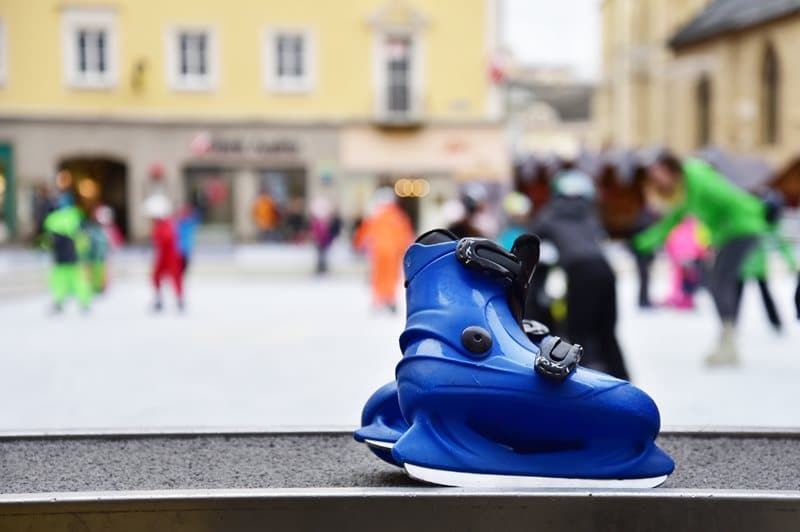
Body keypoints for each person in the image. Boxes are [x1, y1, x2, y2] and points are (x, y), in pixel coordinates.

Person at [634, 152, 778, 365]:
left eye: (659, 174)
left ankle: (728, 343)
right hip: (735, 231)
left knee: (719, 283)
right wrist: (643, 241)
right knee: (718, 283)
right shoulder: (688, 186)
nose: (657, 181)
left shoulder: (697, 178)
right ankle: (728, 340)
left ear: (670, 168)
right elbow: (674, 219)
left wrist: (754, 214)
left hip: (742, 228)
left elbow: (729, 198)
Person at [530, 170, 630, 380]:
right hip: (604, 270)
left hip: (579, 271)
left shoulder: (549, 215)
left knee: (578, 335)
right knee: (607, 333)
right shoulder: (588, 213)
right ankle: (623, 381)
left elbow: (536, 245)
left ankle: (580, 384)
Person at [353, 188, 414, 313]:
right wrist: (407, 250)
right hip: (392, 252)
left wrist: (358, 246)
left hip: (378, 251)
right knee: (391, 275)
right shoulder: (398, 216)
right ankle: (389, 299)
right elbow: (405, 235)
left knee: (378, 275)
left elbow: (363, 233)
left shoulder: (375, 215)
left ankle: (379, 299)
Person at [42, 193, 92, 312]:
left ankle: (59, 301)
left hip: (59, 255)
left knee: (59, 279)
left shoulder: (52, 218)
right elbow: (83, 236)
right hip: (73, 254)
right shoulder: (76, 215)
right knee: (78, 279)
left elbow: (47, 237)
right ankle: (84, 302)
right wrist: (84, 250)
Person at [144, 194, 183, 311]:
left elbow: (168, 239)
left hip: (170, 256)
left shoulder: (165, 225)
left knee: (174, 278)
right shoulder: (160, 225)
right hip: (164, 257)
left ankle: (179, 300)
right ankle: (160, 299)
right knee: (156, 277)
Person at [662, 217, 709, 309]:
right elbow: (702, 245)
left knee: (678, 280)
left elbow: (670, 244)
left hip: (679, 260)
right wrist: (701, 256)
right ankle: (686, 299)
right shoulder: (698, 230)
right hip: (691, 260)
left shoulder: (676, 229)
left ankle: (679, 298)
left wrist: (673, 257)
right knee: (688, 280)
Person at [309, 197, 341, 275]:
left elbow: (329, 232)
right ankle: (320, 269)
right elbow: (316, 232)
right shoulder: (317, 223)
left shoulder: (326, 223)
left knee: (323, 256)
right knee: (320, 256)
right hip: (320, 242)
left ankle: (323, 269)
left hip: (324, 241)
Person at [176, 204, 199, 274]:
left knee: (183, 266)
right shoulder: (183, 223)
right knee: (182, 266)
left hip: (184, 248)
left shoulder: (186, 223)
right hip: (181, 248)